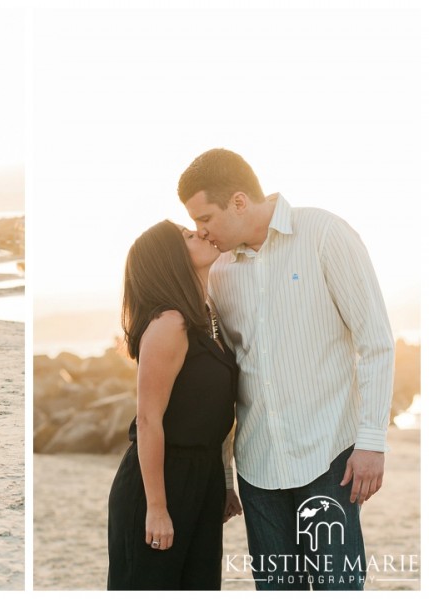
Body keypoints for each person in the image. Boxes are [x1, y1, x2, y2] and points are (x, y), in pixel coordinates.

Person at [177, 148, 395, 590]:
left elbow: (376, 342)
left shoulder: (325, 234)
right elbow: (223, 377)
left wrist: (372, 442)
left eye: (205, 218)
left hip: (329, 457)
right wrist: (223, 475)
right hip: (257, 468)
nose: (201, 231)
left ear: (239, 202)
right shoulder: (217, 270)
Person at [107, 220, 242, 590]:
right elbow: (149, 420)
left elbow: (215, 413)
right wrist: (156, 508)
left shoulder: (206, 316)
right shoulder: (170, 323)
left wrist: (224, 481)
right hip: (162, 481)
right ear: (171, 260)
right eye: (187, 235)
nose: (200, 232)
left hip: (203, 476)